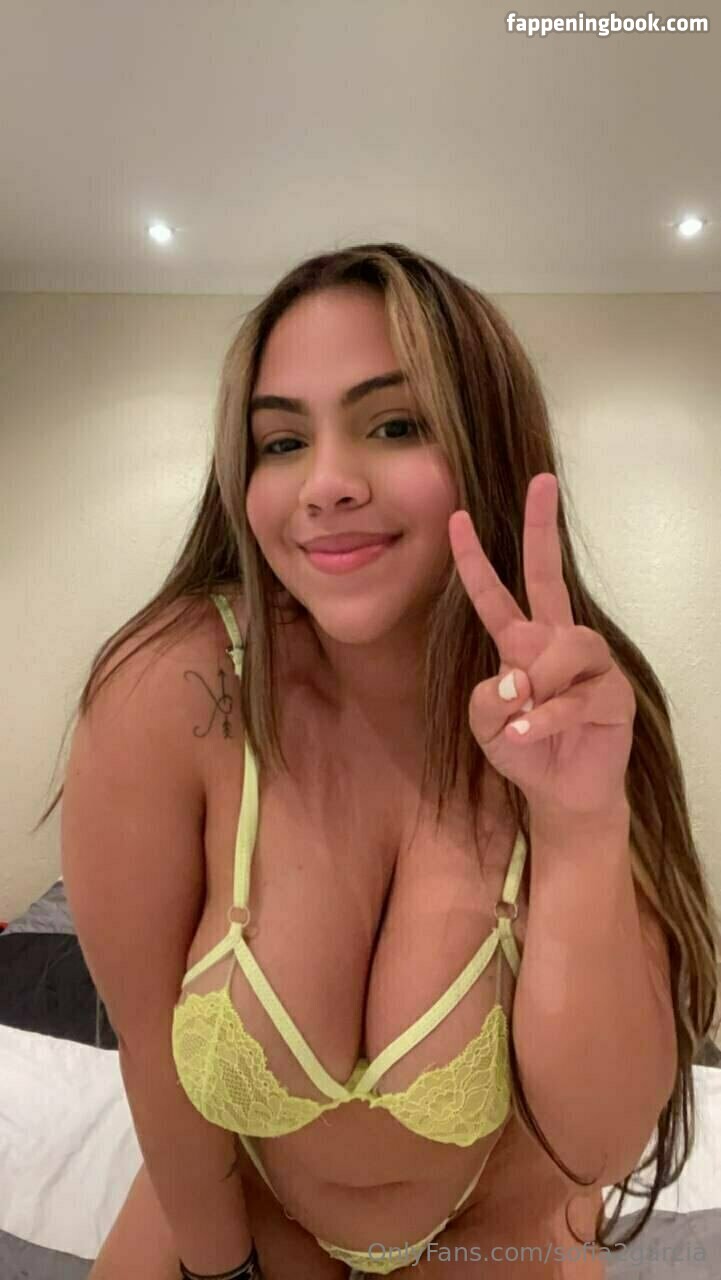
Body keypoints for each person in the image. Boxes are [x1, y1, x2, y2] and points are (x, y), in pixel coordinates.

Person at [41, 243, 718, 1278]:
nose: (324, 485)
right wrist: (223, 1270)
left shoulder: (573, 709)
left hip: (493, 1230)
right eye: (280, 441)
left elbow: (596, 1146)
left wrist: (579, 823)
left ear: (488, 445)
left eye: (394, 425)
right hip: (249, 1220)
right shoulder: (171, 688)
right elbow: (151, 1049)